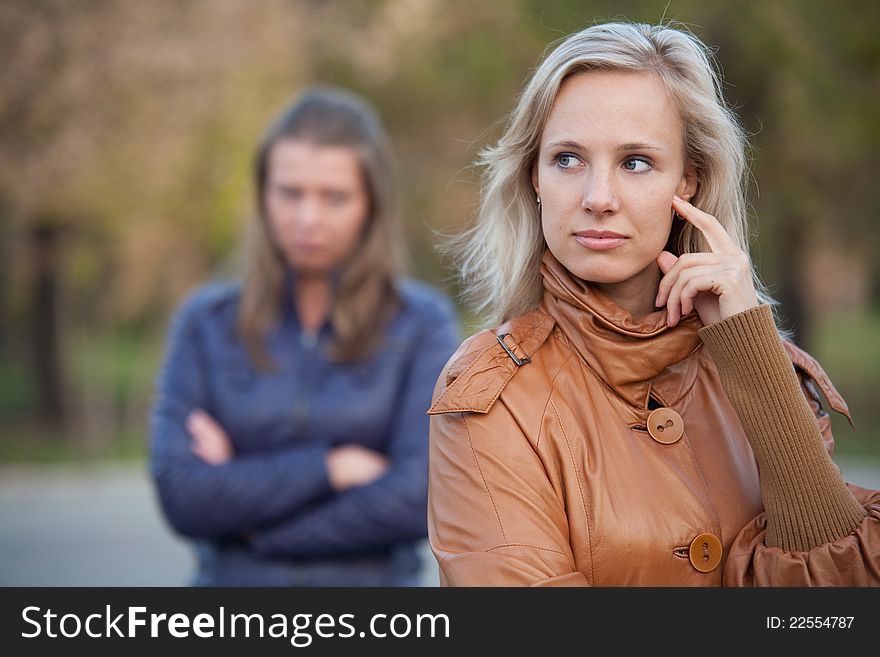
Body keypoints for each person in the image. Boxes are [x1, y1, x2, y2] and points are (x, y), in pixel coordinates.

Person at [427, 22, 879, 586]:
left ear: (688, 180)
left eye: (635, 162)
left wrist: (753, 359)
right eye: (567, 159)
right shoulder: (491, 396)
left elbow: (838, 600)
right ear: (534, 176)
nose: (598, 199)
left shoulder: (766, 371)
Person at [150, 87, 459, 586]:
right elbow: (182, 495)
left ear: (371, 205)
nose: (307, 219)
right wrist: (332, 467)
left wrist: (253, 527)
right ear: (263, 196)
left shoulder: (422, 323)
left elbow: (418, 496)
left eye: (334, 197)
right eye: (289, 193)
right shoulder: (205, 322)